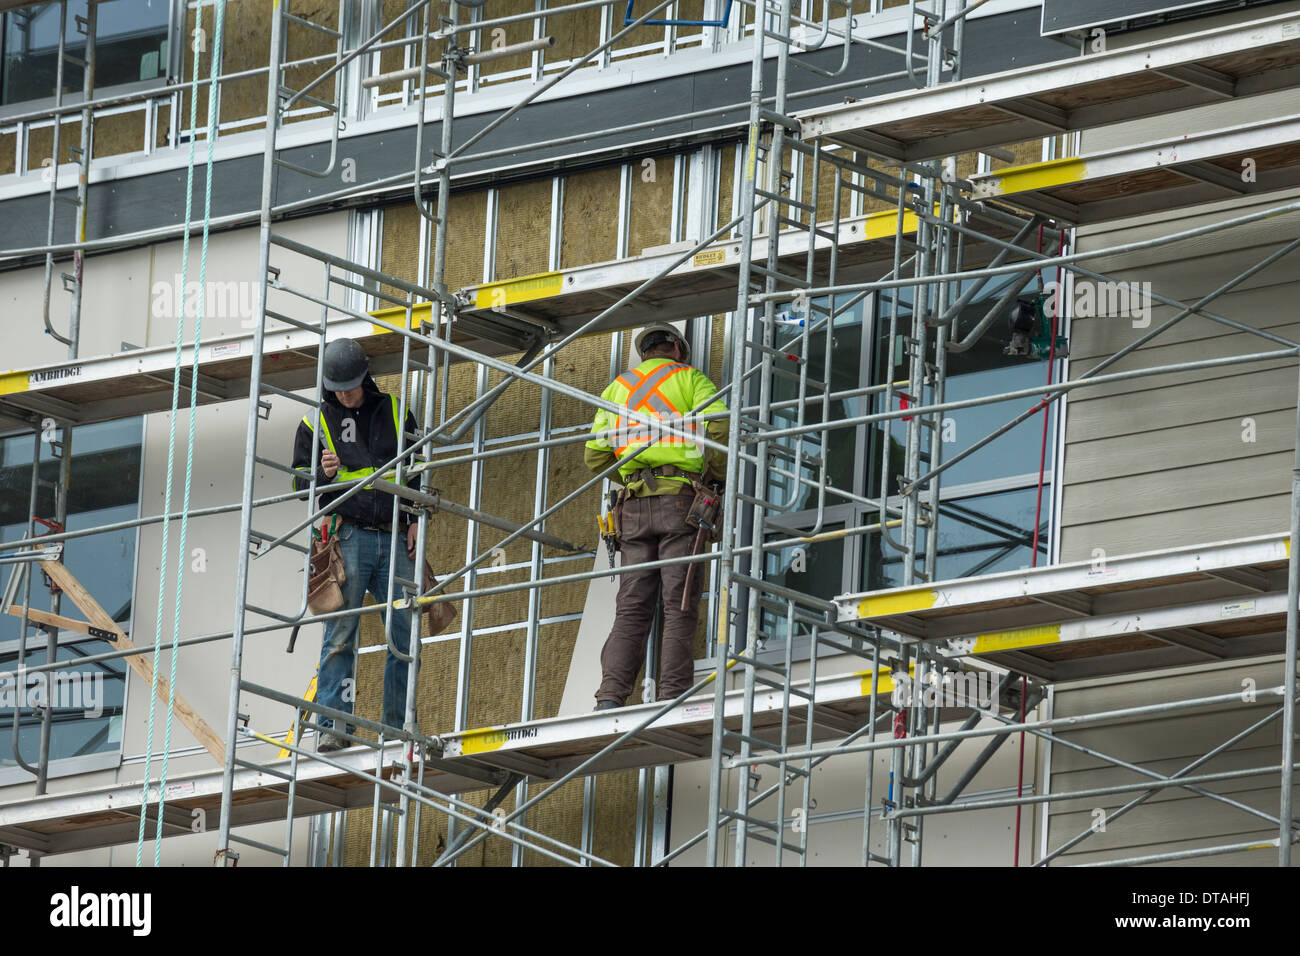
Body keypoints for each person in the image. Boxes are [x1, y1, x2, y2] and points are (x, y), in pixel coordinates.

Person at [585, 322, 729, 710]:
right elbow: (720, 427)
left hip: (632, 509)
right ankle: (671, 698)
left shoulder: (617, 389)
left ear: (645, 353)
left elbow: (595, 457)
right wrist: (712, 477)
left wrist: (633, 475)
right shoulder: (691, 380)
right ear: (678, 350)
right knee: (679, 605)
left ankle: (610, 698)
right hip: (681, 503)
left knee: (631, 609)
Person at [291, 338, 422, 752]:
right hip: (348, 535)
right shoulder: (315, 422)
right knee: (341, 633)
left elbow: (417, 469)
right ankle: (335, 726)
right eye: (337, 388)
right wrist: (321, 474)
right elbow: (298, 484)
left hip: (393, 534)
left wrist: (415, 518)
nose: (343, 394)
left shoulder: (398, 413)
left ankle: (397, 727)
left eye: (349, 385)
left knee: (404, 634)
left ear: (365, 377)